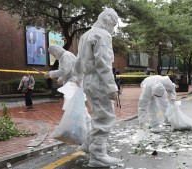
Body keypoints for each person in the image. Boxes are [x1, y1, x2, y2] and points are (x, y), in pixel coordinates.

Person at [73, 8, 120, 167]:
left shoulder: (86, 35)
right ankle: (98, 155)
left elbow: (78, 61)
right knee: (105, 118)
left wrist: (78, 78)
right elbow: (103, 63)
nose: (113, 28)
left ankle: (89, 144)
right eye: (113, 24)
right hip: (99, 82)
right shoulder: (102, 35)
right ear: (108, 20)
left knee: (97, 115)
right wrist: (111, 87)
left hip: (88, 81)